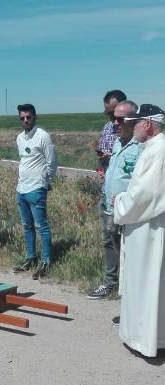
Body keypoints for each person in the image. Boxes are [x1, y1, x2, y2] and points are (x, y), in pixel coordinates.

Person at [113, 104, 165, 358]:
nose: (131, 127)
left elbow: (146, 194)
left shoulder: (159, 150)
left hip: (151, 228)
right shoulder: (151, 148)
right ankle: (143, 336)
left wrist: (120, 202)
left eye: (135, 123)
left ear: (148, 125)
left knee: (149, 281)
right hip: (144, 225)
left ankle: (147, 339)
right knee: (145, 282)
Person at [87, 101, 140, 302]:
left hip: (126, 210)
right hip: (108, 204)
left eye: (120, 119)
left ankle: (129, 292)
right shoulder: (118, 142)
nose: (115, 123)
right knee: (109, 244)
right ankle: (111, 283)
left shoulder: (140, 146)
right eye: (113, 118)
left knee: (127, 251)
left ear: (133, 120)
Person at [12, 104, 58, 280]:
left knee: (41, 226)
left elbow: (51, 162)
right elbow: (24, 160)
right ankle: (30, 257)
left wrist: (45, 181)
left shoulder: (42, 136)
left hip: (36, 188)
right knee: (27, 226)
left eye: (28, 117)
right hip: (21, 188)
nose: (25, 120)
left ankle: (45, 261)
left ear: (35, 117)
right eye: (22, 118)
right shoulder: (19, 138)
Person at [97, 90, 126, 172]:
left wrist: (113, 158)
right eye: (107, 113)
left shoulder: (133, 129)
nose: (110, 117)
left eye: (112, 113)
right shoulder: (107, 126)